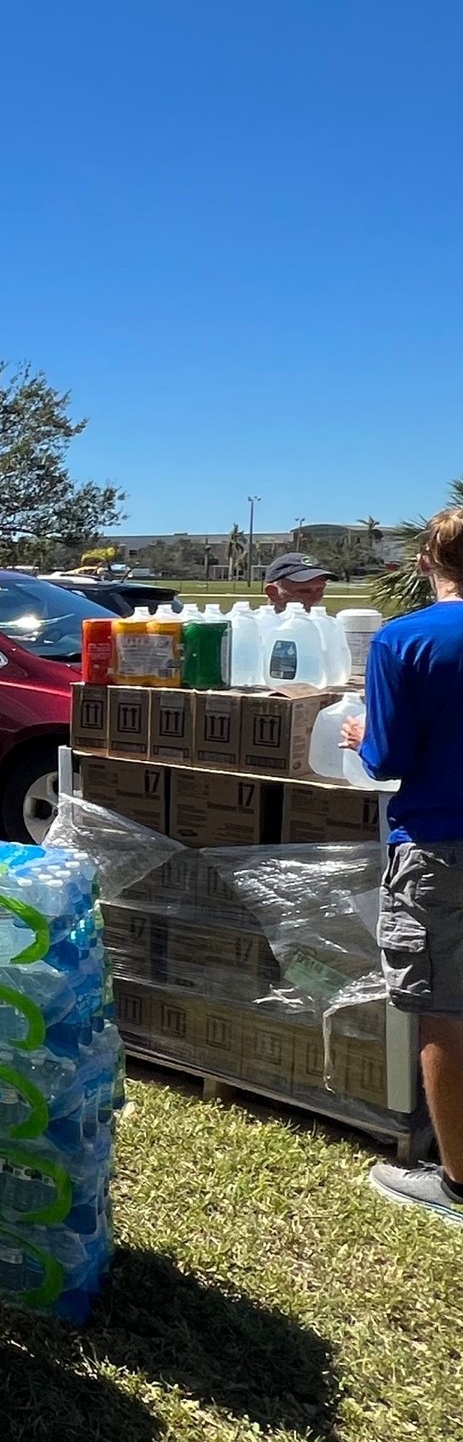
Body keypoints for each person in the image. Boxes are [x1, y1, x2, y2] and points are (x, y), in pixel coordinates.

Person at [343, 507, 463, 1224]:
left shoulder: (406, 640)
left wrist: (361, 732)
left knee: (445, 1009)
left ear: (425, 562)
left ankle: (455, 1182)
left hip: (441, 847)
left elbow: (386, 758)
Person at [264, 551, 337, 614]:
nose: (314, 598)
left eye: (320, 590)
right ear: (273, 593)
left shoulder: (331, 627)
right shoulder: (257, 628)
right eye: (304, 591)